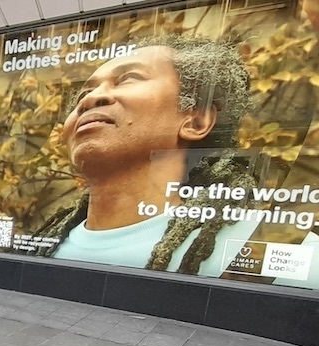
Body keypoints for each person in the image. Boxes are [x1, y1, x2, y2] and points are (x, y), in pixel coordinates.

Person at [34, 37, 265, 275]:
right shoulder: (42, 245)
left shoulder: (252, 250)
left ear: (196, 121)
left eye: (129, 78)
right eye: (85, 92)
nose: (90, 99)